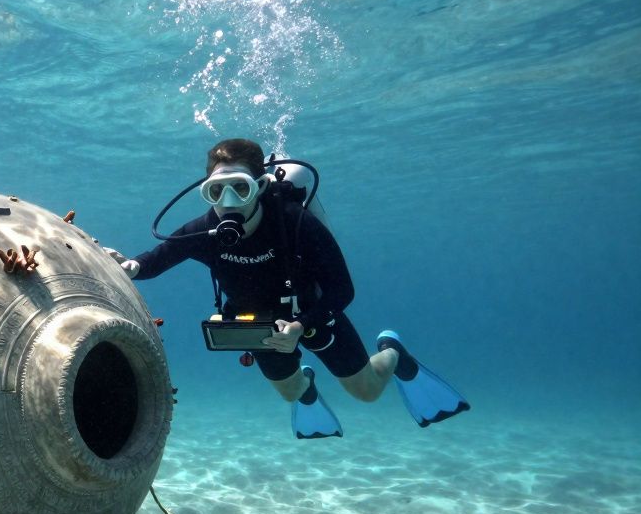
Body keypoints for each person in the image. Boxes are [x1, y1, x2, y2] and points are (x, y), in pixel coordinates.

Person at [107, 138, 468, 438]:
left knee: (367, 392)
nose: (228, 202)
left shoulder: (296, 224)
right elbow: (155, 260)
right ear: (206, 193)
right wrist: (129, 266)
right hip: (260, 327)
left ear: (260, 186)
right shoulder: (203, 232)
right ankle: (307, 387)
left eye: (240, 188)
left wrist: (301, 325)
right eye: (217, 191)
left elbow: (342, 290)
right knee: (291, 392)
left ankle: (394, 353)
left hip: (313, 316)